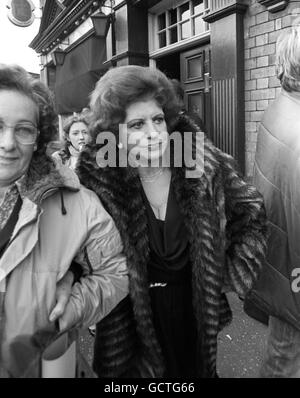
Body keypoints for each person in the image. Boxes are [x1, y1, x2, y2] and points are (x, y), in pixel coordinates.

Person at [76, 65, 268, 378]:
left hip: (194, 314)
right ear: (115, 135)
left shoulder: (201, 163)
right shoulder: (97, 182)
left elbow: (251, 212)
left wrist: (227, 274)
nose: (153, 133)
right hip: (129, 326)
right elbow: (73, 256)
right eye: (137, 124)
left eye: (157, 119)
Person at [0, 64, 128, 377]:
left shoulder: (78, 203)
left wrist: (73, 305)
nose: (8, 143)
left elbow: (115, 271)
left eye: (23, 129)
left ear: (39, 136)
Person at [248, 26, 300, 378]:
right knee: (286, 361)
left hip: (281, 266)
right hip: (292, 273)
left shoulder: (279, 109)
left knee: (283, 354)